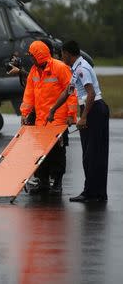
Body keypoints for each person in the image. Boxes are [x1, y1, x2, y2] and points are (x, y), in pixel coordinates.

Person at [48, 40, 109, 202]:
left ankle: (95, 194)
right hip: (91, 109)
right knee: (89, 154)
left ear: (67, 53)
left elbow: (91, 94)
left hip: (94, 109)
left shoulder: (82, 68)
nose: (61, 57)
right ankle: (92, 192)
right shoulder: (75, 68)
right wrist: (53, 109)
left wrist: (83, 116)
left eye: (62, 54)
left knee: (94, 154)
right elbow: (68, 91)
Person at [20, 41, 77, 195]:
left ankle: (57, 183)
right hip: (40, 120)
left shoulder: (60, 68)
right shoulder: (34, 70)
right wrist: (25, 114)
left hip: (57, 120)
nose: (30, 59)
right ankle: (43, 182)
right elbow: (29, 94)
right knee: (40, 153)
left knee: (57, 153)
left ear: (38, 55)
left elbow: (71, 92)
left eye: (32, 56)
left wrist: (71, 115)